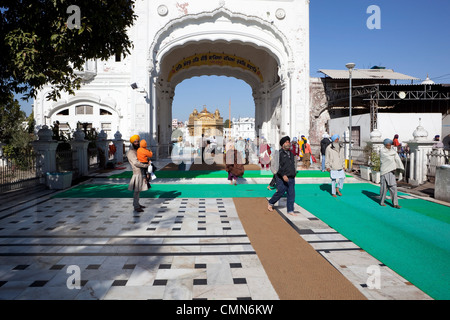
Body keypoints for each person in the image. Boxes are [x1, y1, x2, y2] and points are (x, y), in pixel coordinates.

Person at [268, 136, 297, 216]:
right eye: (287, 142)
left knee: (291, 194)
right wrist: (283, 175)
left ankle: (290, 210)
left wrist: (294, 173)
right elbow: (277, 166)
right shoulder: (279, 153)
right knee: (280, 191)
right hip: (281, 177)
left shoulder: (291, 154)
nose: (288, 143)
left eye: (289, 142)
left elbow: (294, 164)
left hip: (291, 177)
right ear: (283, 144)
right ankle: (271, 202)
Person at [380, 138, 405, 208]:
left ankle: (395, 203)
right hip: (384, 172)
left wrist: (398, 167)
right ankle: (382, 202)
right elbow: (389, 159)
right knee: (383, 188)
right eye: (388, 145)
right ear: (385, 145)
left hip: (391, 172)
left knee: (393, 187)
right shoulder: (382, 151)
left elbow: (397, 159)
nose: (389, 146)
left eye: (390, 145)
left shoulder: (393, 151)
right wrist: (394, 159)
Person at [127, 135, 149, 212]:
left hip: (141, 172)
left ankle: (137, 203)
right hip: (137, 173)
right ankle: (136, 206)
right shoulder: (130, 152)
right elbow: (136, 163)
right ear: (132, 143)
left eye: (137, 141)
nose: (137, 143)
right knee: (136, 190)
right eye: (135, 142)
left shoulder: (137, 151)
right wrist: (146, 165)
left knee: (138, 190)